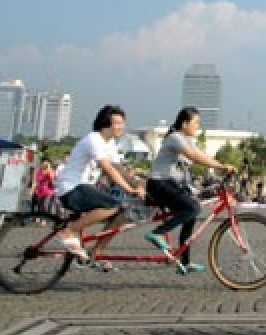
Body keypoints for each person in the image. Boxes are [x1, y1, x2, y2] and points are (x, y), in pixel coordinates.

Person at [51, 105, 144, 267]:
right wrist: (128, 189)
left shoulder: (110, 143)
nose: (122, 127)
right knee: (113, 205)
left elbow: (119, 169)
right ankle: (70, 230)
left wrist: (140, 185)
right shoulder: (93, 139)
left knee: (121, 213)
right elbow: (107, 168)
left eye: (123, 123)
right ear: (105, 124)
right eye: (118, 123)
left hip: (84, 188)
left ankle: (95, 253)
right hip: (71, 188)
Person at [144, 107, 233, 273]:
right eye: (196, 123)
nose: (198, 127)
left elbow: (201, 154)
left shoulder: (187, 140)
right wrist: (221, 166)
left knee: (191, 214)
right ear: (184, 124)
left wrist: (221, 166)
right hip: (159, 184)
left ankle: (184, 262)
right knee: (193, 208)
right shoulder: (175, 137)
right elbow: (194, 157)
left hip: (171, 185)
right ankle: (157, 233)